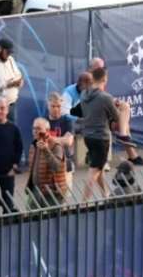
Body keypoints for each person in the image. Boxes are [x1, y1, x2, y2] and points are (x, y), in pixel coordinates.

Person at [79, 67, 119, 200]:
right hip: (101, 138)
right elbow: (116, 117)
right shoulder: (106, 97)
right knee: (94, 171)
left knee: (98, 167)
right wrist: (117, 106)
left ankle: (105, 195)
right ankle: (84, 203)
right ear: (104, 79)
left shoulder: (83, 94)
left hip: (88, 137)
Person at [27, 117, 69, 209]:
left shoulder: (56, 145)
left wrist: (46, 150)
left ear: (47, 130)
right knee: (32, 220)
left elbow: (56, 167)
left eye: (38, 129)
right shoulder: (33, 145)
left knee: (54, 221)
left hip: (53, 194)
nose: (35, 131)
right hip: (36, 191)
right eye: (34, 128)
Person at [47, 91, 76, 171]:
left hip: (66, 163)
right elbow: (41, 141)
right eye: (53, 106)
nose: (56, 109)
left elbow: (68, 141)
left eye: (58, 106)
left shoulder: (67, 121)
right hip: (48, 162)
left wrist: (50, 139)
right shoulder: (44, 121)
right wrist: (61, 140)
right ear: (48, 106)